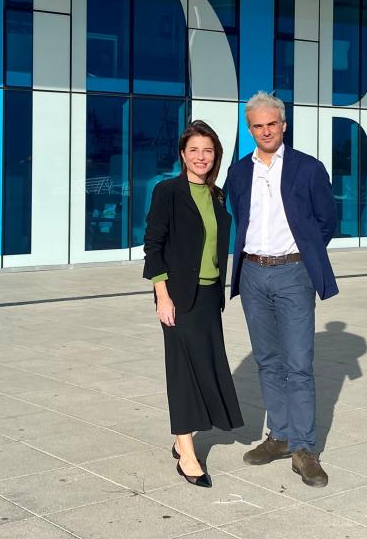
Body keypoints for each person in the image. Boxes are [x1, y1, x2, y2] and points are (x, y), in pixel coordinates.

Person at [225, 91, 339, 488]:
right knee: (268, 361)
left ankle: (305, 449)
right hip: (253, 273)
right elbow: (237, 217)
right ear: (250, 128)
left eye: (272, 123)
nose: (266, 130)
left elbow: (327, 221)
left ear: (283, 125)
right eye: (257, 125)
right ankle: (281, 436)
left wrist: (302, 256)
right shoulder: (239, 172)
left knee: (298, 364)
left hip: (293, 273)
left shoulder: (308, 168)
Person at [143, 120, 244, 488]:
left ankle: (180, 437)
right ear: (183, 155)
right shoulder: (167, 191)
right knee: (182, 371)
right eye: (194, 150)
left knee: (206, 367)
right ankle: (187, 451)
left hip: (207, 297)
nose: (201, 157)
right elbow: (153, 245)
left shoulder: (217, 196)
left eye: (208, 150)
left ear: (215, 155)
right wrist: (162, 295)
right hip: (177, 296)